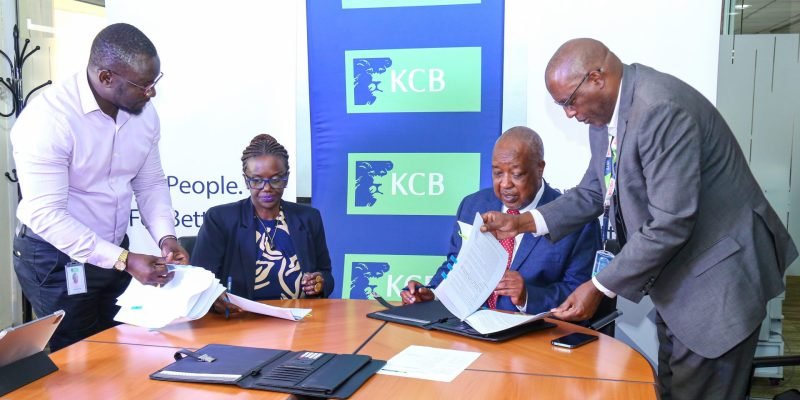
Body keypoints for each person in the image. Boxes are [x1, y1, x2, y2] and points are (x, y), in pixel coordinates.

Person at [481, 38, 798, 399]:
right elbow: (593, 192)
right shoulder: (605, 118)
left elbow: (670, 222)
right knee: (671, 391)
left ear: (596, 78)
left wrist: (599, 286)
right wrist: (521, 223)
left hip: (718, 281)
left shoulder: (661, 110)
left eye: (569, 101)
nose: (569, 114)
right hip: (681, 285)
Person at [11, 23, 189, 352]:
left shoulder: (143, 114)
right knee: (79, 356)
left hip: (113, 250)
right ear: (106, 77)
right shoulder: (48, 120)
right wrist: (125, 260)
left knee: (120, 347)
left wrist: (166, 237)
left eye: (155, 82)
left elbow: (150, 183)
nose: (152, 93)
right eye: (144, 85)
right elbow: (47, 215)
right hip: (56, 256)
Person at [402, 127, 600, 315]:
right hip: (468, 326)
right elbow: (455, 264)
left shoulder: (575, 218)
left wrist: (528, 297)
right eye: (497, 173)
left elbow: (581, 295)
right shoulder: (473, 205)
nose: (505, 184)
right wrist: (432, 293)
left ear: (540, 169)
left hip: (533, 333)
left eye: (516, 174)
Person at [192, 134, 334, 315]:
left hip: (299, 320)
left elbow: (326, 274)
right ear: (246, 180)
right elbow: (199, 282)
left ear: (286, 178)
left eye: (275, 179)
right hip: (240, 321)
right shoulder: (220, 219)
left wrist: (320, 282)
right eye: (257, 180)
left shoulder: (308, 218)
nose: (267, 188)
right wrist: (214, 299)